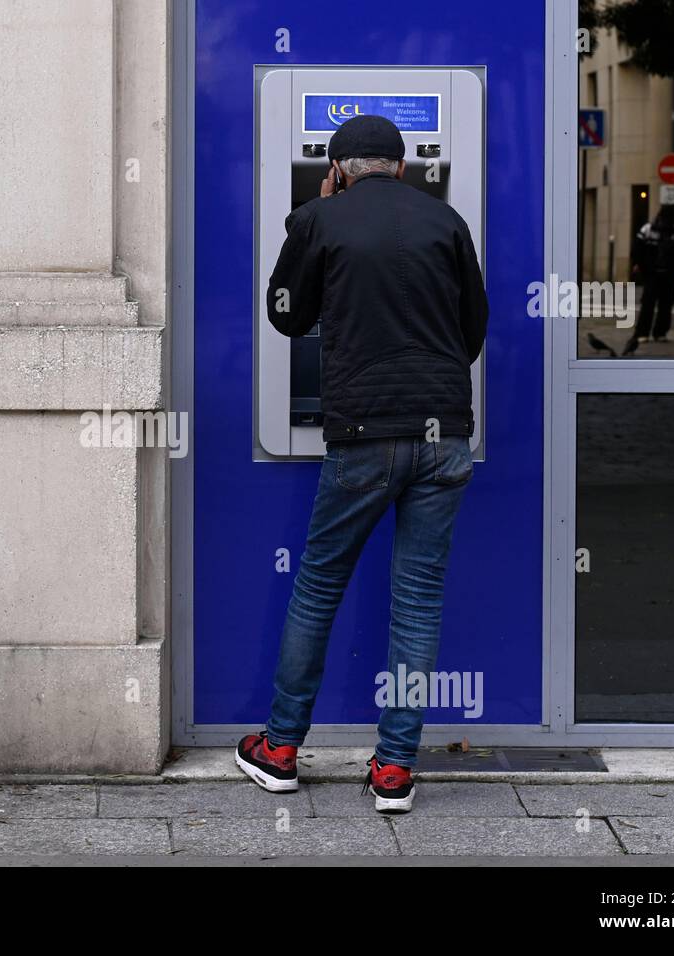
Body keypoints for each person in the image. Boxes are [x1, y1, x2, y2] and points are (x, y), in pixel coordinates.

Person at [235, 114, 488, 813]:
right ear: (401, 168)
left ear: (339, 168)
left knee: (318, 586)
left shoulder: (321, 217)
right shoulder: (447, 222)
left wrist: (314, 216)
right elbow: (473, 327)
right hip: (443, 437)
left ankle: (281, 748)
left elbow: (285, 314)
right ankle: (395, 770)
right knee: (418, 599)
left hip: (361, 435)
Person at [628, 206, 674, 348]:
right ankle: (651, 333)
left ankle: (650, 333)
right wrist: (640, 265)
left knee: (659, 304)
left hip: (661, 273)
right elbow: (637, 249)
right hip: (655, 273)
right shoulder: (670, 232)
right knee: (653, 304)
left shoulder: (672, 232)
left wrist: (640, 264)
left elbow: (637, 249)